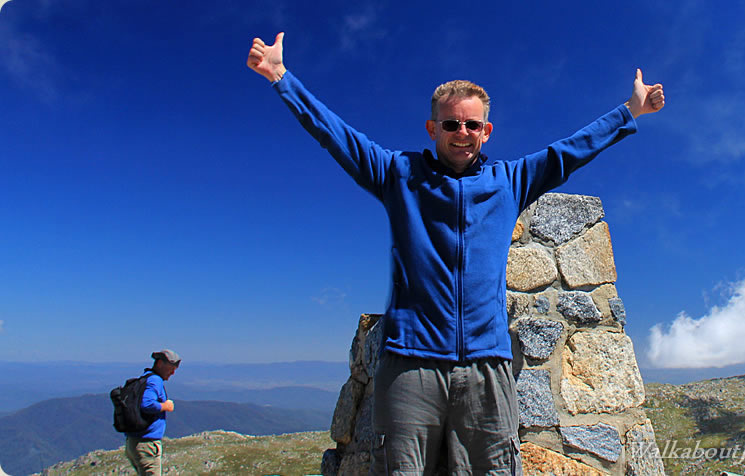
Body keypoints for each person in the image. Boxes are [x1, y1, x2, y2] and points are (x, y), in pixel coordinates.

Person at [247, 32, 664, 475]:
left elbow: (571, 150)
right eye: (450, 125)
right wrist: (280, 77)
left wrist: (630, 110)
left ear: (486, 131)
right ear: (433, 129)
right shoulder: (398, 175)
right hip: (411, 364)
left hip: (487, 367)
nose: (461, 134)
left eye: (471, 125)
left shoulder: (510, 181)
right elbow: (337, 136)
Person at [124, 349, 180, 476]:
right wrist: (166, 406)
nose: (173, 373)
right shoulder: (155, 380)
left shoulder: (146, 377)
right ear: (159, 363)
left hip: (134, 442)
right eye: (171, 368)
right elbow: (147, 404)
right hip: (147, 444)